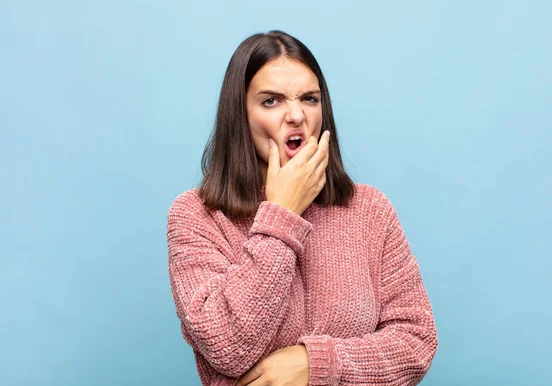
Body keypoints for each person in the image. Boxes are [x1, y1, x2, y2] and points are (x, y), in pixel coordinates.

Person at [166, 30, 438, 386]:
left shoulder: (370, 210)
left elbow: (416, 341)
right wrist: (283, 214)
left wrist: (316, 363)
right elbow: (227, 346)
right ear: (240, 114)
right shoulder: (196, 216)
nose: (296, 114)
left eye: (309, 99)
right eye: (271, 101)